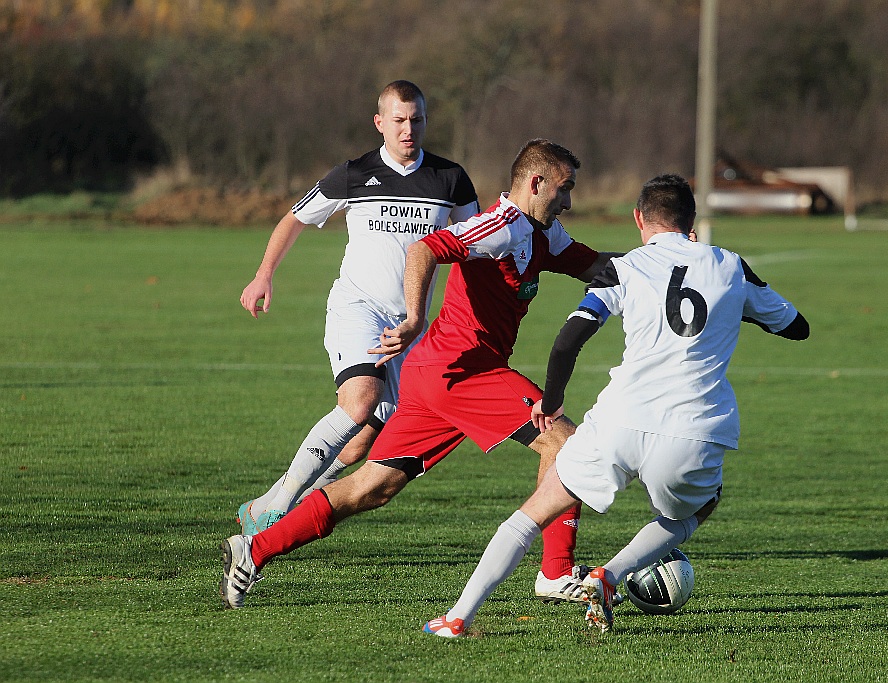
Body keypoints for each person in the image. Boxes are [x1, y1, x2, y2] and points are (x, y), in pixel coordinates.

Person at [220, 139, 622, 609]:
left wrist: (672, 260)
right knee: (566, 444)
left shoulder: (543, 234)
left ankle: (254, 549)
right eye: (564, 188)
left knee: (373, 487)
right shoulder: (504, 226)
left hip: (436, 376)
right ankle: (555, 573)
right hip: (461, 370)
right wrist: (413, 318)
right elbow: (425, 249)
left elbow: (600, 267)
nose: (569, 201)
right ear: (536, 183)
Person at [421, 174, 810, 637]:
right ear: (693, 222)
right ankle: (609, 575)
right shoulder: (730, 266)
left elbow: (570, 338)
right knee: (695, 510)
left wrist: (553, 397)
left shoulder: (626, 266)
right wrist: (735, 305)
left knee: (532, 514)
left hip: (619, 421)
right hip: (694, 429)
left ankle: (457, 617)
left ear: (639, 220)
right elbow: (795, 327)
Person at [235, 80, 479, 534]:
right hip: (358, 309)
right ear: (380, 123)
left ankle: (265, 507)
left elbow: (476, 247)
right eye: (400, 120)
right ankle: (280, 507)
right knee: (361, 401)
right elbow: (294, 219)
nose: (409, 129)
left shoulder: (451, 180)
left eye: (417, 119)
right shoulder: (354, 174)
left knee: (359, 443)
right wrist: (264, 273)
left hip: (412, 327)